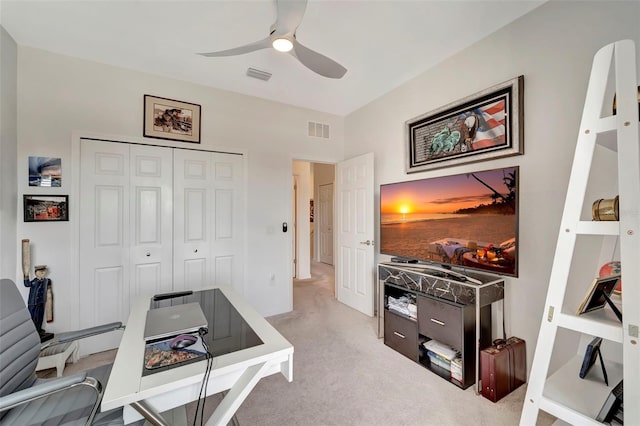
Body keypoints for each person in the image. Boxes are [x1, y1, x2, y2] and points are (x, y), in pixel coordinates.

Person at [24, 265, 50, 333]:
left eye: (43, 272)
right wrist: (26, 276)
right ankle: (31, 330)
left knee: (40, 316)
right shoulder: (34, 282)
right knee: (32, 316)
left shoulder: (46, 281)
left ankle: (38, 329)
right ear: (36, 273)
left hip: (42, 302)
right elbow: (26, 284)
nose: (42, 273)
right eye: (40, 272)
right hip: (33, 302)